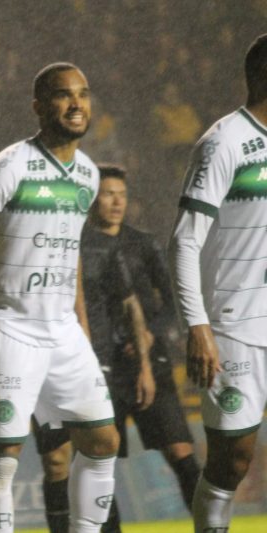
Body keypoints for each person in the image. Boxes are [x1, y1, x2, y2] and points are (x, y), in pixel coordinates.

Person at [0, 63, 119, 533]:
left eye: (83, 95)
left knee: (103, 440)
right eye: (63, 95)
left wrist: (81, 326)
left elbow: (70, 257)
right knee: (3, 454)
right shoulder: (10, 165)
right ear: (38, 107)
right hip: (10, 326)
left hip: (63, 331)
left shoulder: (88, 175)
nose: (76, 104)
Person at [37, 164, 200, 533]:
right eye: (108, 194)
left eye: (121, 195)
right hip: (102, 367)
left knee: (181, 452)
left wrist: (151, 335)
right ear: (92, 199)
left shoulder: (143, 244)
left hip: (149, 364)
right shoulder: (78, 244)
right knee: (100, 460)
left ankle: (209, 526)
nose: (115, 202)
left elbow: (172, 300)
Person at [170, 33, 267, 532]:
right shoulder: (224, 142)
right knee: (232, 462)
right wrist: (198, 326)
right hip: (234, 327)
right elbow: (184, 241)